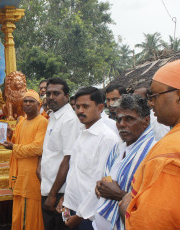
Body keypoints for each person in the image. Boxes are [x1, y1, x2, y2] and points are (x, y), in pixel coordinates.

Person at [120, 59, 180, 229]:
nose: (151, 103)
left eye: (153, 96)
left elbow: (150, 223)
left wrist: (125, 205)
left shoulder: (168, 151)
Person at [59, 87, 119, 230]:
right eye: (77, 107)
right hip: (75, 208)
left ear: (100, 108)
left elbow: (102, 181)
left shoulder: (107, 139)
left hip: (91, 216)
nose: (79, 111)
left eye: (85, 106)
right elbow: (75, 172)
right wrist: (66, 199)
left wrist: (80, 216)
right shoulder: (83, 133)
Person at [93, 94, 155, 230]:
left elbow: (151, 205)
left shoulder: (153, 152)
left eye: (129, 119)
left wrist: (119, 195)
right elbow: (110, 175)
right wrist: (103, 185)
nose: (121, 124)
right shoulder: (119, 146)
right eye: (118, 119)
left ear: (146, 121)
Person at [2, 89, 48, 230]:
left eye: (31, 101)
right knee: (19, 212)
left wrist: (14, 147)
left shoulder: (42, 122)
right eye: (25, 101)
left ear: (39, 105)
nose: (27, 104)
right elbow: (18, 140)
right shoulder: (21, 122)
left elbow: (37, 148)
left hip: (31, 176)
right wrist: (10, 135)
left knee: (31, 214)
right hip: (20, 175)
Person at [39, 77, 81, 230]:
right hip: (50, 189)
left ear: (67, 96)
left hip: (59, 194)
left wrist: (52, 194)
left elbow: (68, 159)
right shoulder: (54, 117)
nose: (51, 97)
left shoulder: (69, 120)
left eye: (56, 93)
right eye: (48, 93)